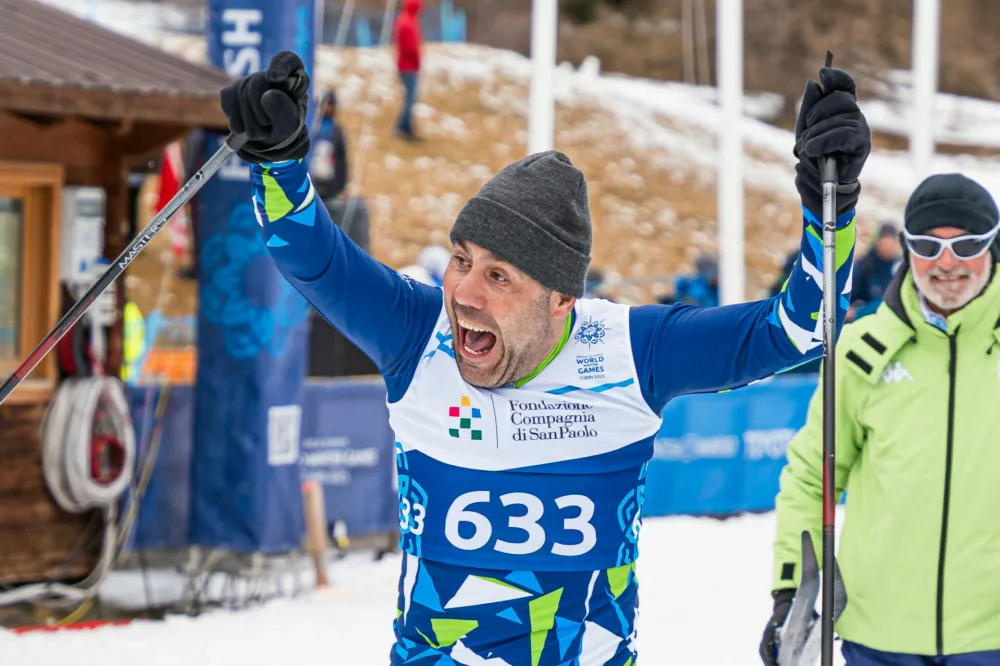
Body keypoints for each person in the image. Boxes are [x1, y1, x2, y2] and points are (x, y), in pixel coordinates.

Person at [220, 52, 868, 666]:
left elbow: (803, 329)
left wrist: (826, 212)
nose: (464, 296)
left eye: (499, 278)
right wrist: (279, 163)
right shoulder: (417, 336)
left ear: (561, 301)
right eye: (462, 260)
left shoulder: (630, 352)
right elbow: (315, 259)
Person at [760, 173, 1000, 665]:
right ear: (908, 250)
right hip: (879, 640)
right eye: (929, 246)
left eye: (967, 244)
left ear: (993, 247)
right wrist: (791, 593)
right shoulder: (861, 350)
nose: (947, 262)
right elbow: (811, 479)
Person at [849, 220, 902, 321]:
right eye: (884, 245)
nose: (887, 249)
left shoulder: (900, 266)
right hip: (866, 317)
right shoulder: (865, 264)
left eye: (890, 246)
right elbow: (851, 293)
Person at [310, 90, 348, 201]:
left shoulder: (336, 132)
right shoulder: (313, 127)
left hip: (329, 182)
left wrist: (340, 183)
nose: (328, 108)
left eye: (331, 105)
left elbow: (341, 158)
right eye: (326, 105)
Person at [393, 0, 422, 140]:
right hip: (408, 66)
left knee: (410, 98)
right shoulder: (408, 22)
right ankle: (403, 127)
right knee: (410, 98)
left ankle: (406, 126)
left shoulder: (405, 20)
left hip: (406, 65)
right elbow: (411, 47)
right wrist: (417, 60)